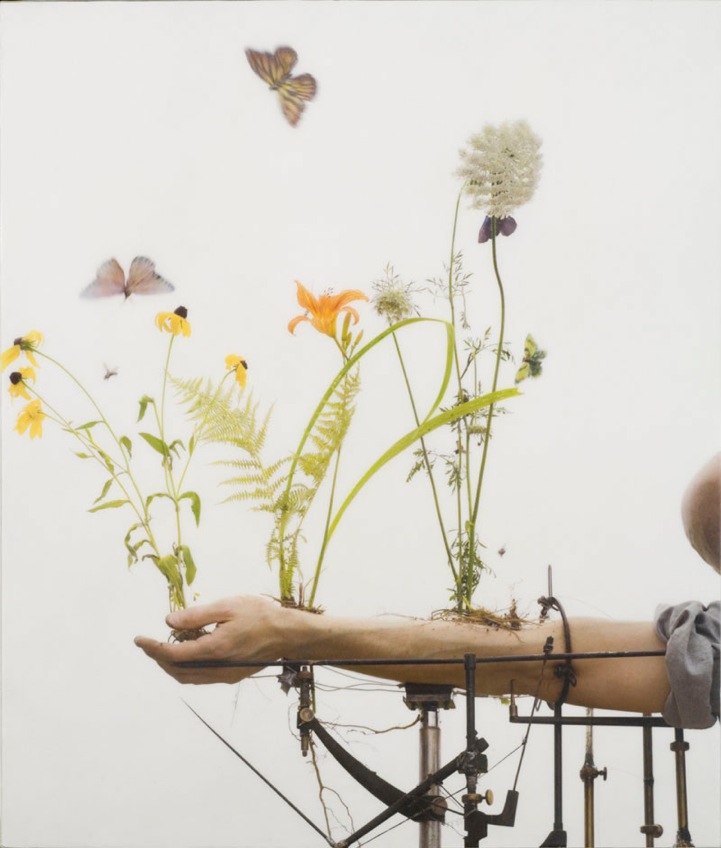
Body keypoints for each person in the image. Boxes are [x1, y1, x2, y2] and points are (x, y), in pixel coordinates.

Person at [136, 454, 720, 729]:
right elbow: (548, 659)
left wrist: (292, 633)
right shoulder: (706, 647)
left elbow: (549, 662)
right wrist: (290, 632)